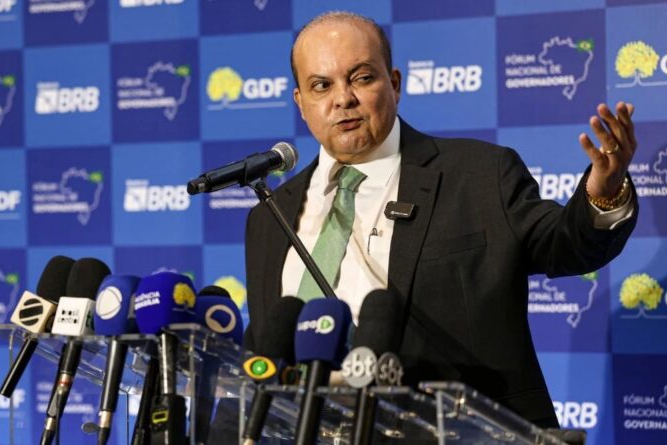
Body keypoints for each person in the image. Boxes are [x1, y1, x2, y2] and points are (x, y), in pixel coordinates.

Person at [244, 12, 638, 428]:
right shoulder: (270, 216)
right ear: (300, 102)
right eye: (322, 86)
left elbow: (566, 244)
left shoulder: (478, 176)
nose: (343, 99)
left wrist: (603, 192)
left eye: (362, 78)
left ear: (394, 83)